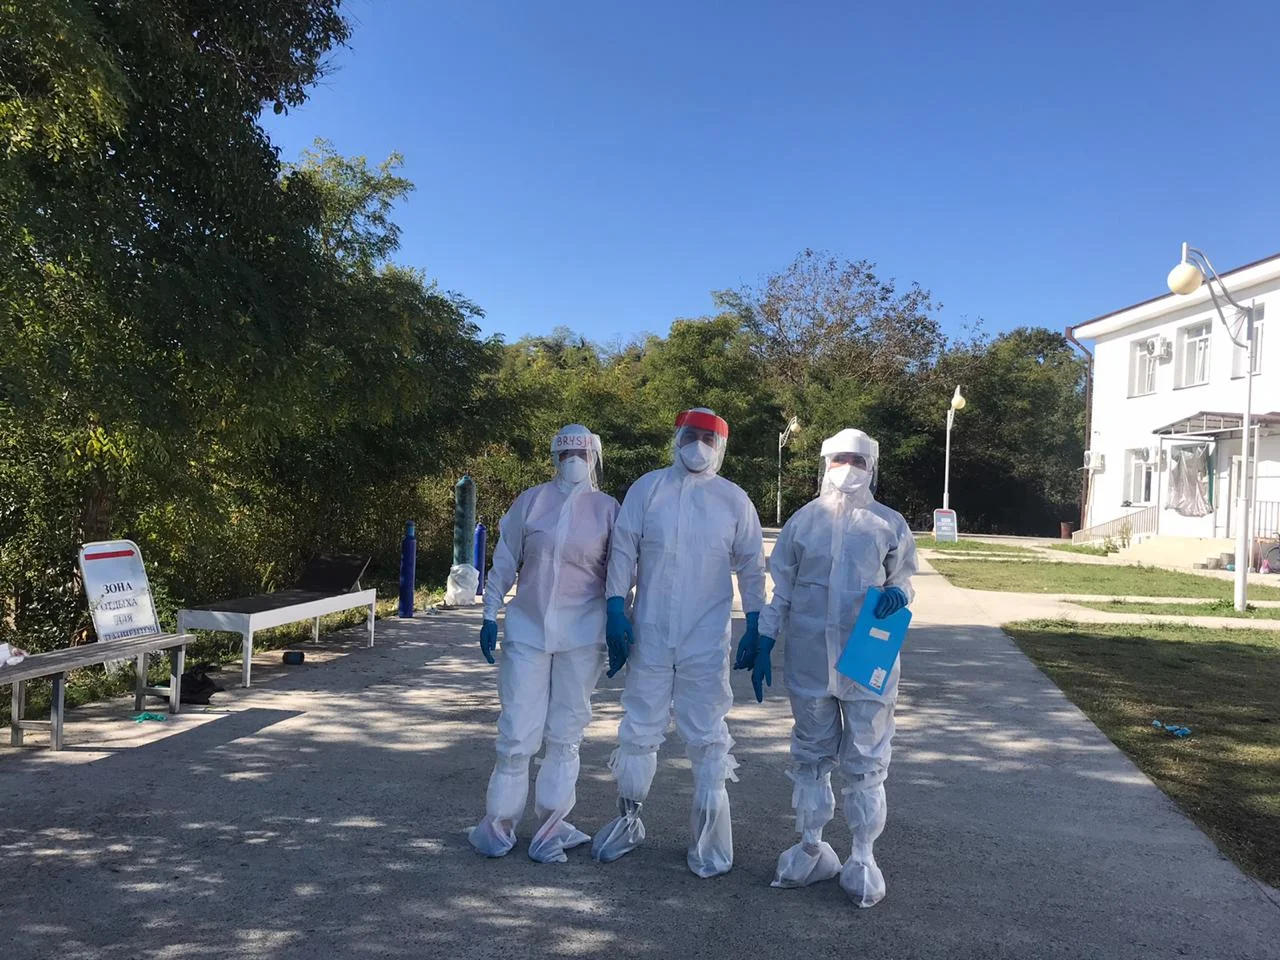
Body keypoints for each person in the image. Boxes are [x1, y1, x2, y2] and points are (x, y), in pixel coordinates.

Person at [736, 427, 917, 907]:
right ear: (824, 464)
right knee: (811, 755)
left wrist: (899, 594)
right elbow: (783, 590)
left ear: (872, 467)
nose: (848, 470)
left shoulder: (889, 524)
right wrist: (765, 639)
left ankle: (862, 856)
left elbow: (904, 578)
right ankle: (811, 846)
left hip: (868, 663)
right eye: (840, 459)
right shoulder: (803, 523)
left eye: (858, 461)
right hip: (811, 661)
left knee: (866, 759)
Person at [591, 408, 766, 878]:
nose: (698, 446)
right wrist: (615, 606)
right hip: (649, 631)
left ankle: (710, 843)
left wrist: (756, 621)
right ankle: (628, 822)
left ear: (721, 447)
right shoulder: (648, 490)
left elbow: (752, 565)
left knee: (707, 736)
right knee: (639, 726)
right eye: (691, 435)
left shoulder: (733, 500)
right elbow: (623, 549)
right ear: (676, 437)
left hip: (705, 639)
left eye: (709, 439)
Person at [469, 424, 620, 863]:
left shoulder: (608, 509)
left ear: (594, 458)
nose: (574, 462)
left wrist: (620, 621)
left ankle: (551, 827)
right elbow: (504, 560)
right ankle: (499, 825)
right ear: (555, 457)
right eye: (566, 454)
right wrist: (489, 612)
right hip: (528, 629)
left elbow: (621, 571)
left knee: (566, 733)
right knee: (517, 731)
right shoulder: (531, 502)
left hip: (583, 633)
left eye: (581, 454)